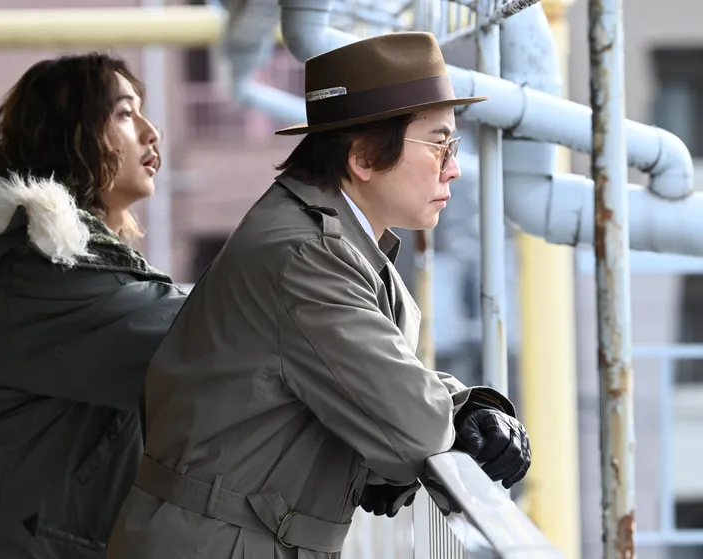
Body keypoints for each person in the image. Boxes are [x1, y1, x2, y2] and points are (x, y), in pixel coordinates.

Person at [106, 32, 531, 559]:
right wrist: (462, 411)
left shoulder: (319, 235)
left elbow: (367, 376)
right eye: (439, 144)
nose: (454, 167)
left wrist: (463, 406)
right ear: (364, 156)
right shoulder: (308, 254)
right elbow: (413, 428)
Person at [0, 53, 186, 559]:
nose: (152, 133)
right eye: (125, 114)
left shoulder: (38, 259)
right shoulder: (42, 270)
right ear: (72, 136)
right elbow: (205, 340)